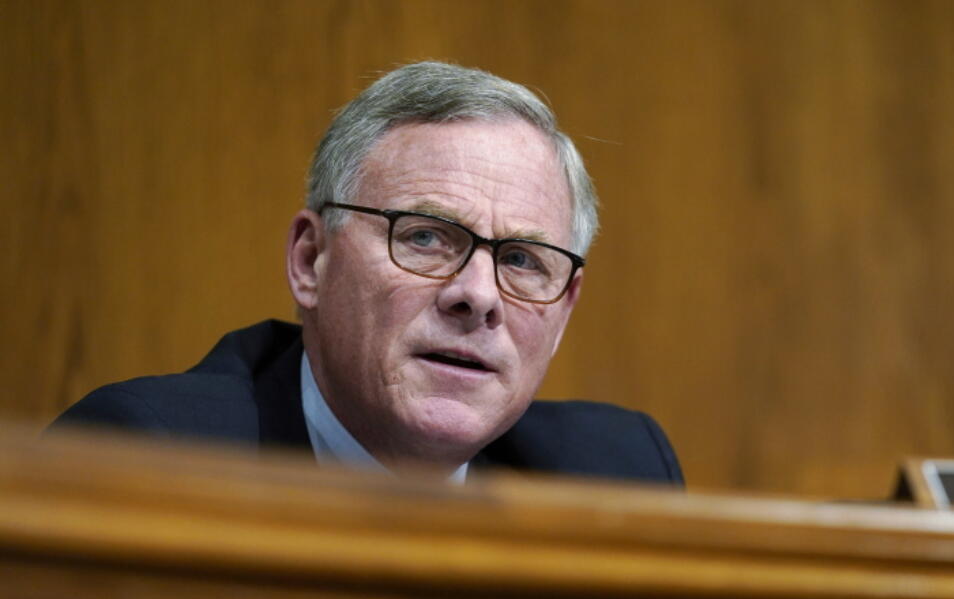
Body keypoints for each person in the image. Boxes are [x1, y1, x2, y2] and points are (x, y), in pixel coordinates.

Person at [52, 62, 683, 485]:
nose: (478, 296)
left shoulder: (616, 477)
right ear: (309, 261)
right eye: (427, 237)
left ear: (565, 307)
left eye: (521, 259)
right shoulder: (151, 459)